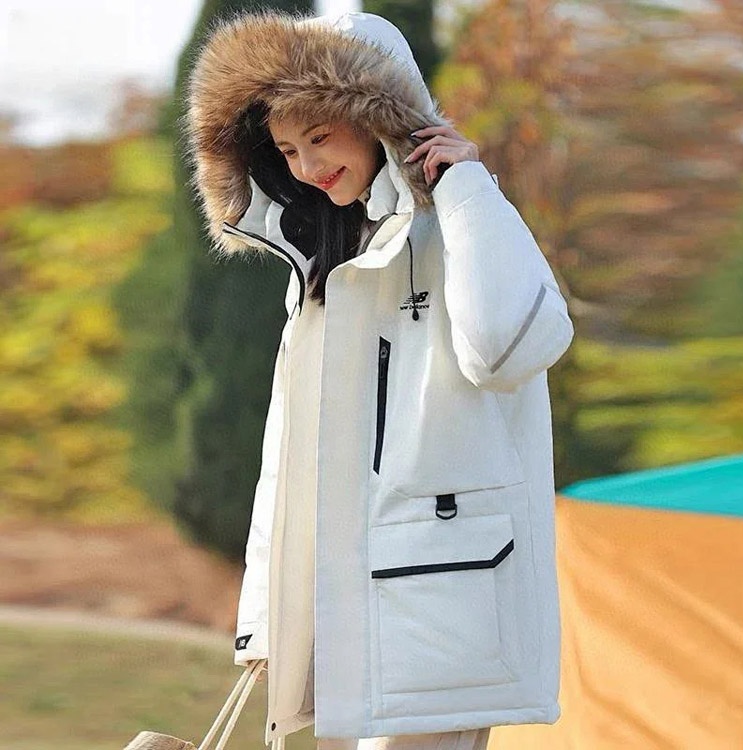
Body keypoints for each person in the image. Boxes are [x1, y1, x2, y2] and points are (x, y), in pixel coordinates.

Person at [186, 9, 575, 750]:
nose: (306, 166)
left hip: (448, 597)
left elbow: (508, 350)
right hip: (346, 606)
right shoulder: (319, 264)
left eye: (321, 136)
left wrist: (466, 187)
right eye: (287, 149)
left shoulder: (464, 222)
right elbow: (287, 452)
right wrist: (266, 618)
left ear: (377, 118)